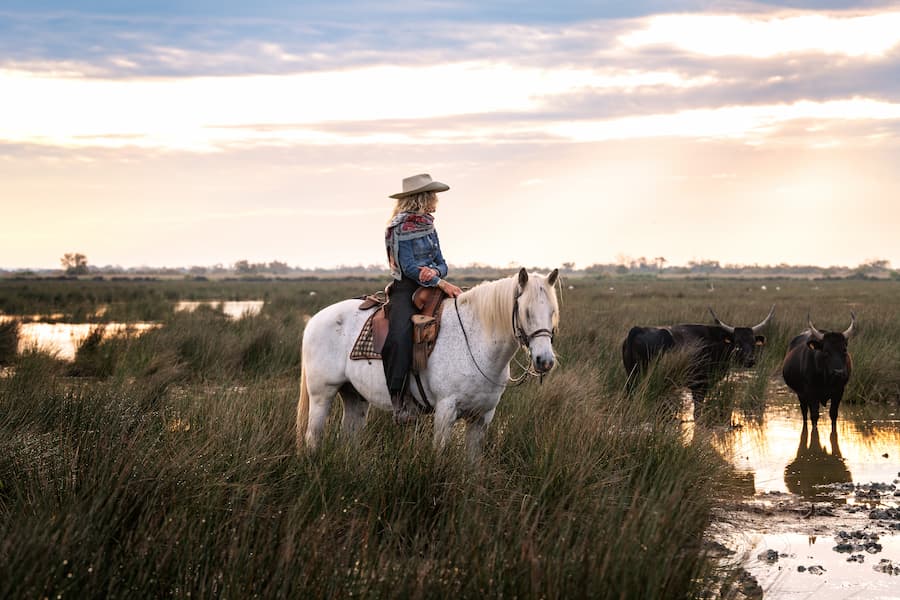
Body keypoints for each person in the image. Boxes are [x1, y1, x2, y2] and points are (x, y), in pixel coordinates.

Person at [383, 173, 463, 423]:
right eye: (433, 195)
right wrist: (439, 281)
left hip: (435, 285)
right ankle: (399, 399)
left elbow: (442, 262)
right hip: (407, 288)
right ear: (423, 197)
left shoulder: (429, 224)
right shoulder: (399, 227)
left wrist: (437, 273)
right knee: (399, 336)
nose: (436, 200)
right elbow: (407, 267)